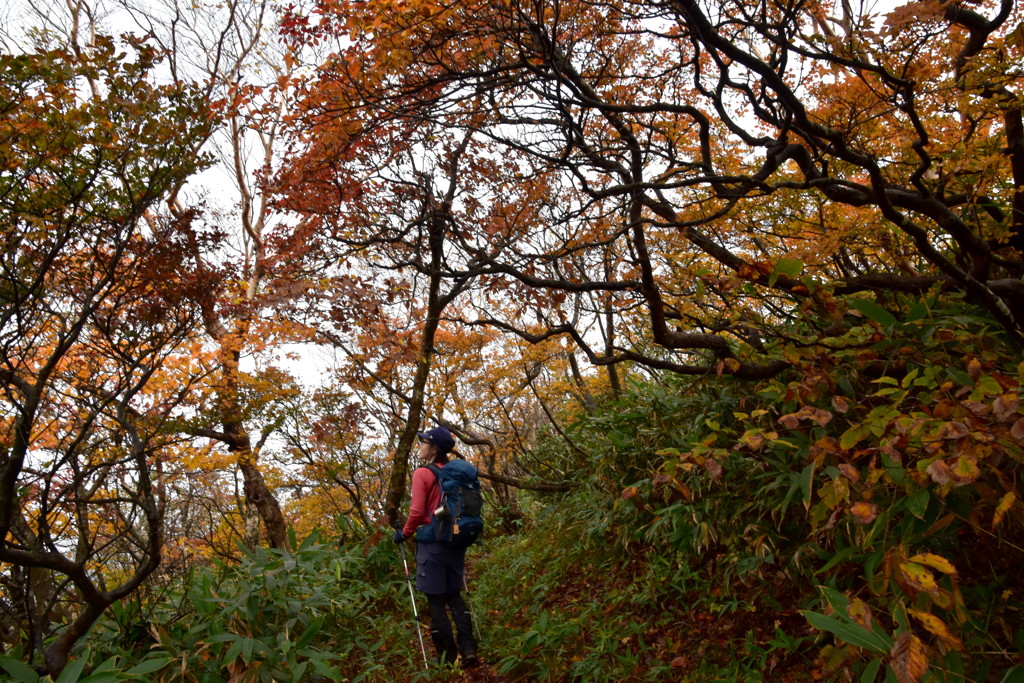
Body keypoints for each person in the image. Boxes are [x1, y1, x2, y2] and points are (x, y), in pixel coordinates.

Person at [393, 426, 479, 667]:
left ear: (433, 448)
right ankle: (469, 648)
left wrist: (405, 533)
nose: (420, 446)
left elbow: (418, 511)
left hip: (432, 545)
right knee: (455, 596)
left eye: (423, 442)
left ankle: (448, 657)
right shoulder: (454, 472)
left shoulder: (423, 473)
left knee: (436, 602)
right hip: (456, 541)